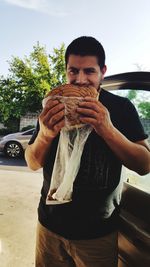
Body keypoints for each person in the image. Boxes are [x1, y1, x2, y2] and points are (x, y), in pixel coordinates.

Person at [25, 36, 150, 267]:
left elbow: (144, 164)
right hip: (50, 228)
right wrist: (45, 134)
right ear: (66, 71)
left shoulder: (122, 108)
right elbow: (32, 162)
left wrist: (107, 129)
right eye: (73, 71)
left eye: (89, 71)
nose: (81, 80)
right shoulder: (53, 103)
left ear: (102, 71)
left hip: (98, 233)